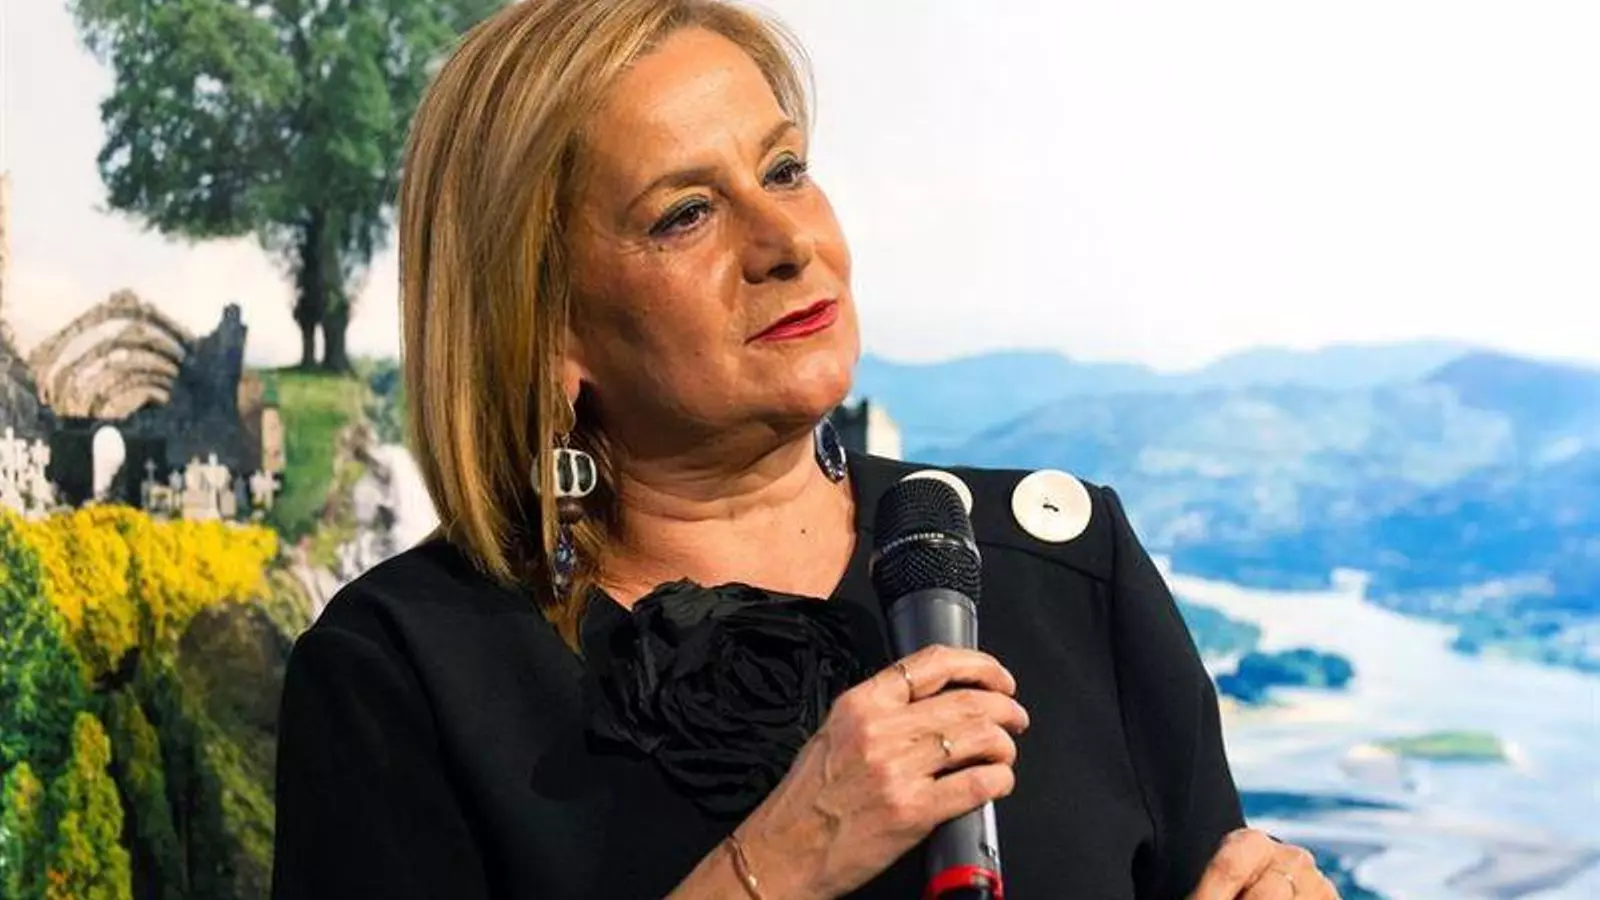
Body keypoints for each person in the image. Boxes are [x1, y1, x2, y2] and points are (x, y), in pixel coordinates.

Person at [270, 1, 1340, 897]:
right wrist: (774, 867)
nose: (788, 242)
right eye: (686, 213)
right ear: (545, 327)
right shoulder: (404, 674)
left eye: (783, 170)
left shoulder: (1065, 562)